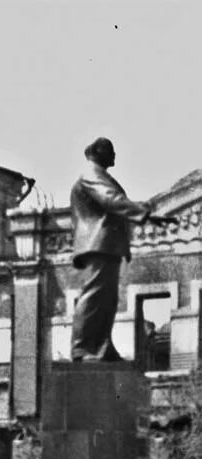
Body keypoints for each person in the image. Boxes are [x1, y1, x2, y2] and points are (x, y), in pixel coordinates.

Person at [69, 137, 153, 361]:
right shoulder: (91, 173)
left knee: (108, 298)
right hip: (97, 241)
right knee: (96, 293)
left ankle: (102, 345)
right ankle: (81, 347)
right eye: (111, 151)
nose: (114, 156)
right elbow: (111, 199)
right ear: (99, 152)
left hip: (107, 244)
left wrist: (143, 212)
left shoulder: (99, 174)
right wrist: (142, 212)